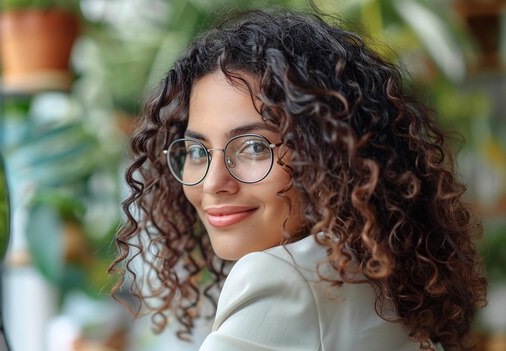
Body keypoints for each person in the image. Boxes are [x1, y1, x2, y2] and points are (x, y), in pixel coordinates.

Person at [109, 8, 487, 351]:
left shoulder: (281, 279)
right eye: (197, 151)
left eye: (254, 147)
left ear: (329, 153)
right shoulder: (371, 271)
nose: (213, 183)